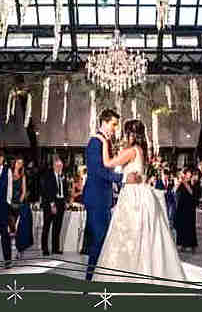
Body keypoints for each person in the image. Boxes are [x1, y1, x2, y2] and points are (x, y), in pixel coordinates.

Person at [93, 119, 187, 285]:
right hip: (141, 195)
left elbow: (107, 163)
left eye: (126, 133)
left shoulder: (131, 151)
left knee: (128, 237)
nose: (124, 136)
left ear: (131, 134)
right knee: (140, 237)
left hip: (132, 197)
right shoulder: (141, 150)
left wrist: (103, 141)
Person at [83, 109, 124, 281]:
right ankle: (89, 279)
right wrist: (122, 178)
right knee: (99, 238)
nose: (115, 128)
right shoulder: (95, 142)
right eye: (113, 124)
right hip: (95, 198)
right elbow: (97, 170)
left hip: (105, 198)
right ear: (104, 122)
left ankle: (99, 277)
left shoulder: (106, 141)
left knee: (105, 239)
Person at [41, 154, 69, 256]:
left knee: (57, 227)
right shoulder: (48, 175)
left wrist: (65, 201)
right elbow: (47, 191)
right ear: (53, 165)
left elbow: (65, 189)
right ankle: (45, 249)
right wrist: (52, 205)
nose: (59, 167)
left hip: (60, 203)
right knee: (47, 227)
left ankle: (55, 248)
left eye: (61, 166)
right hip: (50, 203)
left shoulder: (63, 175)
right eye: (57, 166)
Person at [9, 158, 33, 259]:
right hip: (9, 202)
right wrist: (10, 202)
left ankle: (20, 249)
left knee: (22, 224)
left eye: (21, 163)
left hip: (20, 203)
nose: (19, 165)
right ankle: (10, 249)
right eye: (18, 162)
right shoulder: (8, 174)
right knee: (11, 226)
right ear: (14, 163)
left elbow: (24, 191)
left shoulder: (23, 176)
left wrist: (19, 202)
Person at [175, 167, 198, 253]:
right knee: (180, 225)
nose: (186, 175)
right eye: (185, 173)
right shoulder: (181, 181)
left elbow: (191, 192)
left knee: (189, 225)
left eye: (188, 173)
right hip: (181, 205)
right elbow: (175, 190)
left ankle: (190, 244)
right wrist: (179, 182)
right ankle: (180, 244)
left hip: (190, 206)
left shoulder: (193, 181)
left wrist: (184, 182)